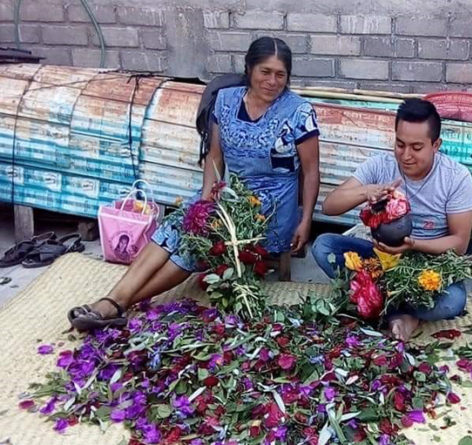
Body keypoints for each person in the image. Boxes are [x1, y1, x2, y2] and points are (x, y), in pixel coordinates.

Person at [68, 37, 320, 331]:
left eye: (280, 74)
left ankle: (118, 304)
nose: (272, 81)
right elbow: (214, 158)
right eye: (265, 71)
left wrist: (305, 221)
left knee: (197, 244)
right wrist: (204, 203)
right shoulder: (225, 101)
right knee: (178, 225)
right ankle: (113, 300)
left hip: (271, 208)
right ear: (249, 68)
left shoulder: (299, 112)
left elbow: (311, 171)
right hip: (229, 194)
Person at [312, 98, 472, 342]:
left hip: (429, 264)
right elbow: (329, 206)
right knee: (323, 246)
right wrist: (366, 192)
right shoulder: (380, 165)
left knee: (452, 301)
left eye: (416, 147)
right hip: (380, 257)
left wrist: (413, 245)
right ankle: (403, 310)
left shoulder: (456, 178)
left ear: (436, 144)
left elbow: (460, 244)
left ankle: (387, 305)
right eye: (400, 144)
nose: (406, 155)